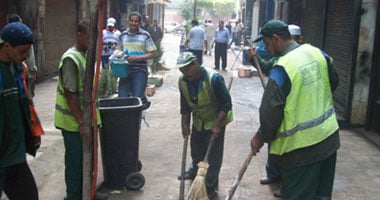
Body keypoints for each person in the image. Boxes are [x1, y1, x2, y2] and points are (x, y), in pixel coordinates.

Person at [250, 19, 340, 200]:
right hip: (329, 139)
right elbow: (334, 82)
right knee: (320, 196)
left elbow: (270, 113)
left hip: (301, 150)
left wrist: (260, 137)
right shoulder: (318, 53)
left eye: (266, 43)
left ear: (276, 38)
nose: (266, 48)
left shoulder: (282, 68)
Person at [54, 20, 106, 200]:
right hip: (73, 123)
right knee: (76, 165)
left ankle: (88, 192)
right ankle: (74, 196)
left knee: (89, 160)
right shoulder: (71, 59)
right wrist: (81, 122)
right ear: (80, 35)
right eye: (92, 37)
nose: (95, 42)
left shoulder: (84, 55)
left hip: (86, 121)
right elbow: (70, 94)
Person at [175, 52, 233, 200]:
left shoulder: (214, 79)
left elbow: (226, 104)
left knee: (213, 155)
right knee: (196, 149)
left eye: (187, 69)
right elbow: (185, 106)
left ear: (196, 64)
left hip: (216, 119)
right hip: (199, 120)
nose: (185, 73)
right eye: (182, 70)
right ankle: (194, 171)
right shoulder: (183, 81)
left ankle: (210, 186)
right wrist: (185, 125)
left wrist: (217, 125)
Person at [0, 22, 40, 200]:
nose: (27, 56)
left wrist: (33, 130)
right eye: (23, 51)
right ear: (7, 46)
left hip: (15, 155)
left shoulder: (18, 69)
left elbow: (26, 103)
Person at [118, 12, 156, 104]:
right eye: (131, 21)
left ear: (140, 23)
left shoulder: (145, 35)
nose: (133, 23)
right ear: (128, 21)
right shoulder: (123, 35)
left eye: (136, 21)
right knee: (122, 97)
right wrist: (118, 56)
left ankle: (138, 117)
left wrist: (135, 58)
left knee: (138, 98)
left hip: (140, 71)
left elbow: (152, 53)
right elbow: (118, 51)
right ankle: (126, 118)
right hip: (124, 71)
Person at [6, 13, 38, 96]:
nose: (27, 55)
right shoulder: (22, 38)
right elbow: (31, 60)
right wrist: (32, 72)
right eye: (23, 51)